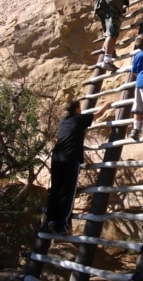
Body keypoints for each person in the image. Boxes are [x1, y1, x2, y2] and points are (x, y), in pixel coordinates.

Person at [40, 100, 110, 235]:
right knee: (67, 192)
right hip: (70, 159)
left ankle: (51, 220)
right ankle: (63, 226)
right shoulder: (79, 119)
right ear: (77, 109)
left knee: (55, 190)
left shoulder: (63, 121)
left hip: (57, 158)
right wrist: (107, 104)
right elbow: (98, 115)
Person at [94, 0, 143, 72]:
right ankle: (107, 60)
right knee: (112, 32)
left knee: (107, 31)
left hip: (99, 5)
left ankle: (110, 50)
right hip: (112, 3)